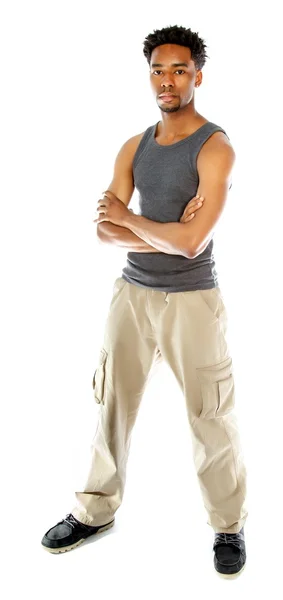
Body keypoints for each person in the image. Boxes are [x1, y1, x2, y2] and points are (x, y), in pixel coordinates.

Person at [41, 25, 248, 578]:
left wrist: (133, 221)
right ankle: (94, 511)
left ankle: (227, 525)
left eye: (179, 69)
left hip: (192, 301)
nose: (167, 80)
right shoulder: (134, 146)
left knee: (210, 416)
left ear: (197, 75)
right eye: (158, 69)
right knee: (111, 404)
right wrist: (152, 229)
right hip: (131, 294)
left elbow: (191, 243)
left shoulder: (216, 147)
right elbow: (104, 233)